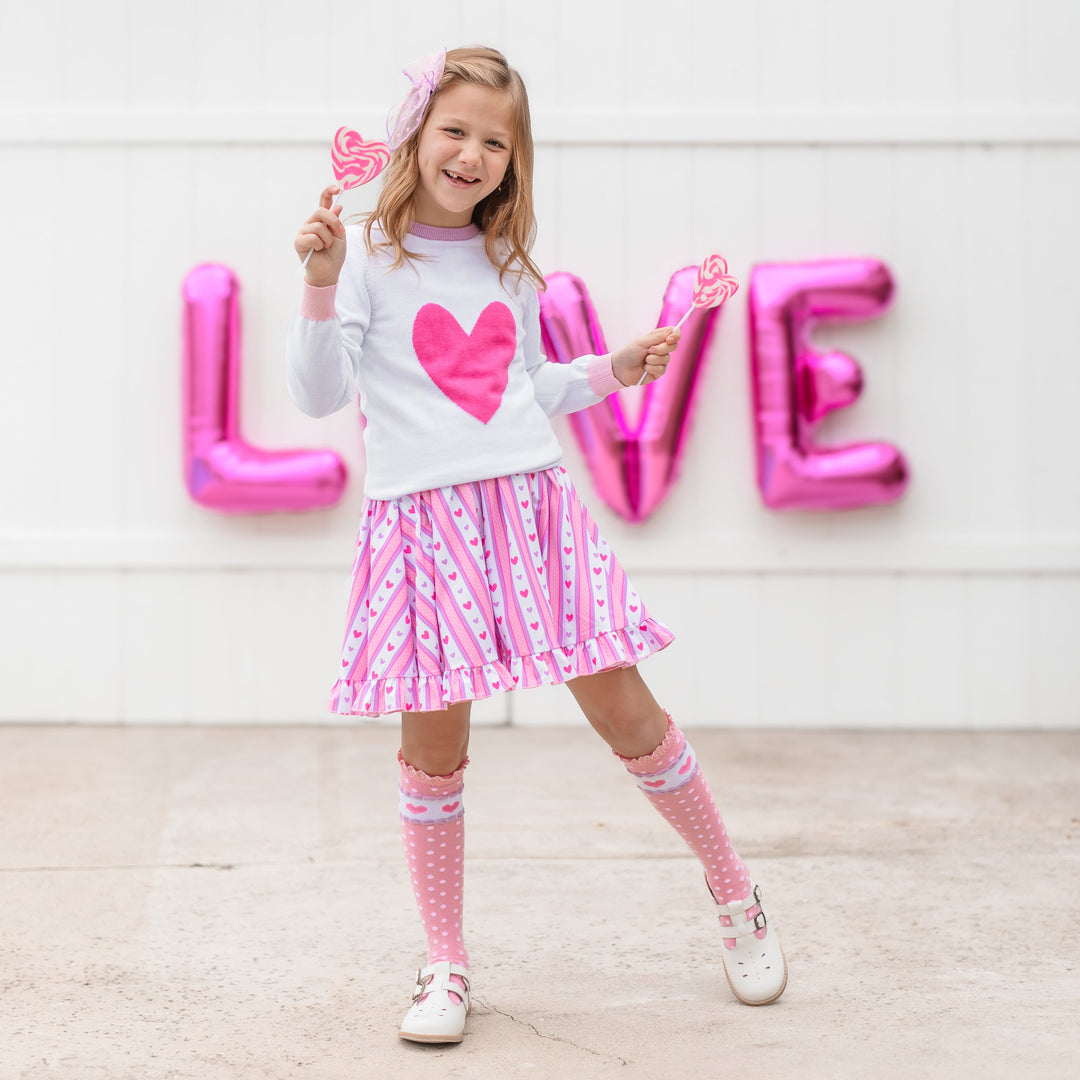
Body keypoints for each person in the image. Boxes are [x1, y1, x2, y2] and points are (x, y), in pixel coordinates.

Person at [286, 45, 786, 1045]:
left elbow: (520, 390)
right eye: (455, 131)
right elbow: (319, 395)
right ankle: (445, 963)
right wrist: (320, 283)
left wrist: (610, 369)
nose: (471, 154)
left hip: (530, 515)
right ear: (415, 137)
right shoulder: (366, 258)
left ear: (515, 162)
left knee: (630, 714)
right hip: (423, 528)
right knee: (433, 756)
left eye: (494, 141)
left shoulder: (510, 266)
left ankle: (735, 893)